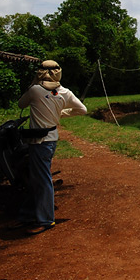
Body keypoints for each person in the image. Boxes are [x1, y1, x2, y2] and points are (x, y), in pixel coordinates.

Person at [17, 60, 87, 235]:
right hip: (50, 139)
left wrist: (34, 81)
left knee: (42, 179)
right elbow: (82, 109)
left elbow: (21, 104)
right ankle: (28, 215)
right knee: (37, 178)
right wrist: (62, 112)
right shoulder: (64, 92)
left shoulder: (35, 90)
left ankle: (46, 219)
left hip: (39, 142)